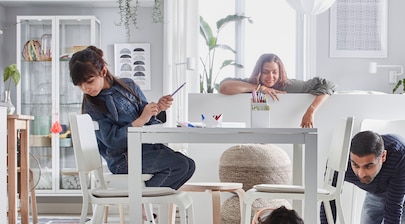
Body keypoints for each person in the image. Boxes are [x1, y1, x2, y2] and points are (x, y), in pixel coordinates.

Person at [68, 46, 195, 190]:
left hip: (146, 150)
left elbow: (148, 119)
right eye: (80, 85)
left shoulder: (128, 85)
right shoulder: (92, 106)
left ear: (103, 71)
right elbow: (112, 140)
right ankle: (140, 202)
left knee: (189, 165)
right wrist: (141, 120)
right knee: (180, 165)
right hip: (123, 160)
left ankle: (140, 200)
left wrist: (158, 108)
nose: (85, 89)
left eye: (89, 81)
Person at [219, 53, 337, 128]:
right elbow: (224, 87)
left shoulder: (290, 85)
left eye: (274, 72)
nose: (270, 77)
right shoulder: (250, 84)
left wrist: (311, 111)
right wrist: (259, 88)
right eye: (266, 72)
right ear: (259, 72)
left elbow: (328, 85)